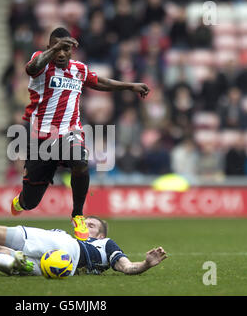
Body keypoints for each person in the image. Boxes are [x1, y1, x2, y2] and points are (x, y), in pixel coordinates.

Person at [12, 27, 150, 241]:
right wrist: (56, 47)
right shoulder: (40, 62)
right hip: (41, 138)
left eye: (66, 49)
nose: (61, 54)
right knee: (30, 203)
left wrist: (130, 86)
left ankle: (77, 215)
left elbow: (100, 82)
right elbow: (31, 69)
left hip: (70, 132)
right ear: (49, 47)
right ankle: (21, 201)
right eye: (56, 48)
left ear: (72, 51)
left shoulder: (79, 69)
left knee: (80, 161)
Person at [0, 205, 167, 277]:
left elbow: (125, 266)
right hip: (57, 268)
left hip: (68, 252)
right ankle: (16, 266)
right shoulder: (61, 234)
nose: (85, 225)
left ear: (100, 234)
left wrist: (145, 264)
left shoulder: (105, 244)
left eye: (91, 225)